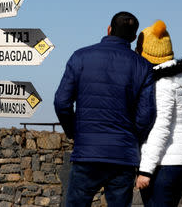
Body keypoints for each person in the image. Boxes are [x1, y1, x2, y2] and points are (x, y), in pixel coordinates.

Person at [54, 11, 156, 207]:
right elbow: (146, 115)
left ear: (108, 30)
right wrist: (131, 138)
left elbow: (61, 102)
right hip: (123, 156)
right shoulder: (143, 67)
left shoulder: (80, 57)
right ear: (134, 38)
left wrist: (74, 132)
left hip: (87, 152)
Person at [135, 20, 182, 207]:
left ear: (145, 52)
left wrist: (145, 170)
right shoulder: (179, 79)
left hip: (164, 165)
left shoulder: (163, 84)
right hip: (178, 162)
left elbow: (161, 127)